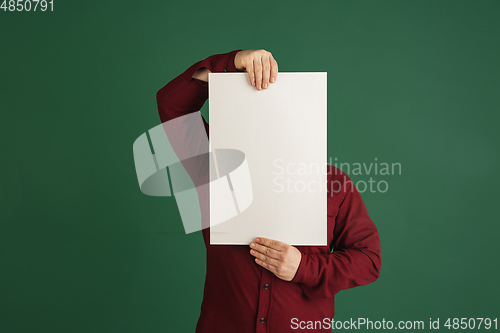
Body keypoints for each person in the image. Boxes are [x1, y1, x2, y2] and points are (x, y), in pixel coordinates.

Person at [156, 49, 381, 333]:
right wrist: (231, 63)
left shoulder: (334, 183)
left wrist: (304, 268)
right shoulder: (214, 167)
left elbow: (368, 260)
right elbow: (172, 106)